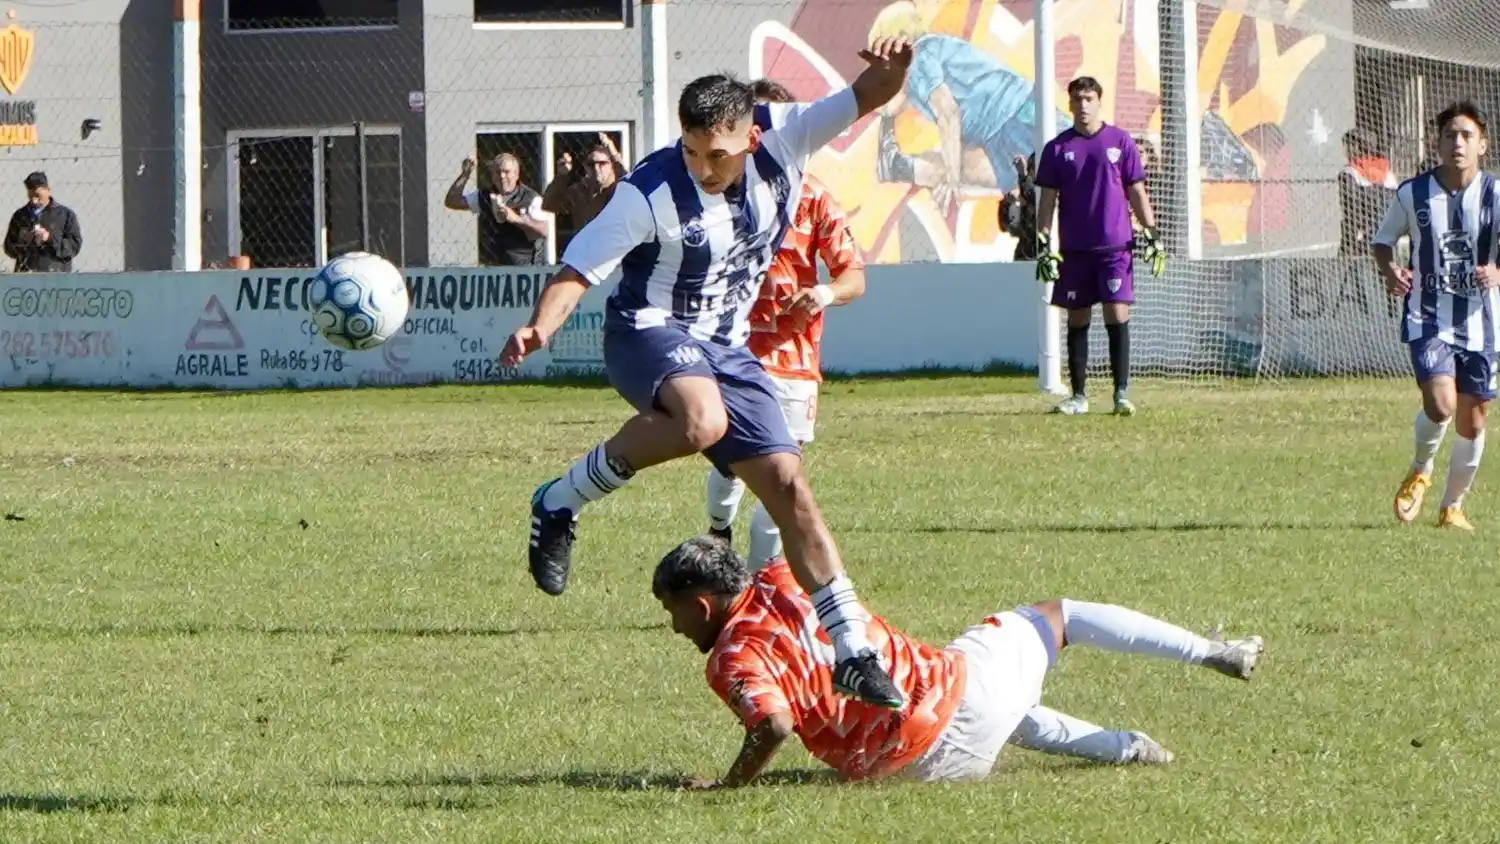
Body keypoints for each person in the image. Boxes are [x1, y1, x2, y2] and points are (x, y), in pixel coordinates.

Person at [499, 38, 916, 710]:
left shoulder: (789, 139)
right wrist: (540, 327)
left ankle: (852, 651)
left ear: (752, 136)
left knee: (791, 490)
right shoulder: (648, 191)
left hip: (728, 348)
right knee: (701, 420)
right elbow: (575, 272)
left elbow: (869, 95)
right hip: (647, 333)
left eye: (716, 154)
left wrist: (895, 67)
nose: (702, 166)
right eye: (692, 151)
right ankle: (561, 500)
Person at [652, 536, 1264, 789]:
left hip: (914, 769)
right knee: (1058, 616)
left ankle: (1131, 749)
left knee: (1012, 696)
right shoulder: (786, 575)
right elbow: (800, 530)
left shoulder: (729, 657)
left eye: (673, 611)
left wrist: (728, 787)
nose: (675, 626)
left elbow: (775, 723)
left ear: (703, 605)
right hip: (956, 696)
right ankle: (1214, 652)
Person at [704, 79, 868, 569]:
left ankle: (755, 592)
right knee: (729, 466)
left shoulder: (814, 199)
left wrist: (821, 293)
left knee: (782, 485)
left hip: (794, 361)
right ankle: (717, 533)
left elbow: (853, 277)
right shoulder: (717, 195)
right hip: (733, 351)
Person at [1375, 101, 1500, 530]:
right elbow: (1382, 240)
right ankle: (1421, 468)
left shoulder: (1496, 195)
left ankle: (1452, 507)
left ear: (1483, 144)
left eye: (1467, 136)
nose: (1458, 143)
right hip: (1428, 316)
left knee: (1475, 414)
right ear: (1437, 142)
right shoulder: (1413, 193)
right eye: (1450, 135)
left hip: (1482, 323)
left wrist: (1497, 270)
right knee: (1442, 404)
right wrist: (1391, 270)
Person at [1034, 77, 1164, 417]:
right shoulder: (1057, 149)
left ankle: (1121, 393)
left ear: (1099, 101)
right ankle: (1078, 396)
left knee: (1117, 311)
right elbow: (1047, 200)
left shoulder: (1120, 141)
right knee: (1077, 318)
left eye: (1089, 98)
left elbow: (1136, 190)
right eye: (1077, 99)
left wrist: (1151, 232)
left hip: (1115, 248)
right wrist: (1044, 241)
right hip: (1075, 250)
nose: (1083, 105)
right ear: (1070, 103)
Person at [444, 153, 549, 266]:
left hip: (526, 269)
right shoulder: (485, 196)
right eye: (498, 172)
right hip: (492, 269)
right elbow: (452, 201)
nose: (502, 176)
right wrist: (465, 174)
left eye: (506, 172)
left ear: (516, 174)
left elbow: (543, 230)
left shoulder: (531, 198)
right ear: (492, 176)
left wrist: (515, 219)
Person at [4, 171, 83, 272]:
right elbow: (8, 248)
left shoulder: (65, 215)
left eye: (37, 195)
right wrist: (23, 241)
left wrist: (50, 238)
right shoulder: (20, 215)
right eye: (30, 195)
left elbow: (75, 246)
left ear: (48, 190)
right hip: (26, 276)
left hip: (56, 276)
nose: (33, 200)